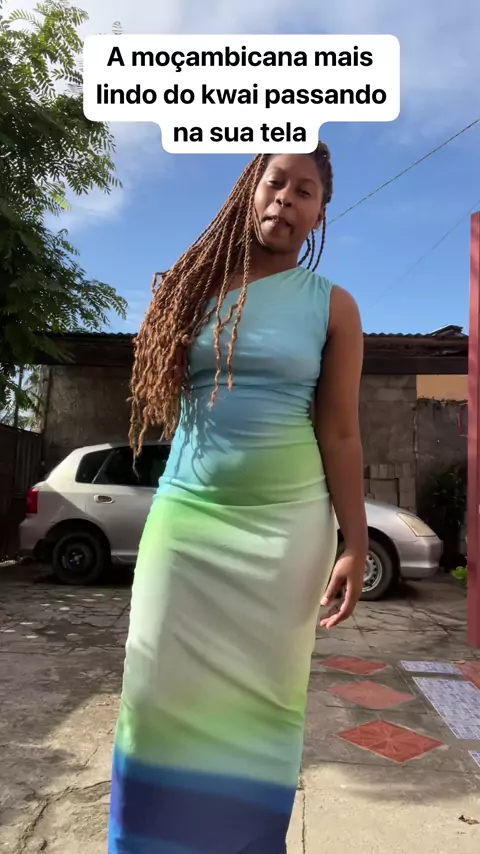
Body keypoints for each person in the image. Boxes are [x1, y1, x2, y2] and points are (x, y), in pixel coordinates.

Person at [108, 141, 368, 854]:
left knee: (263, 707)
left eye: (305, 190)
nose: (286, 198)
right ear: (250, 190)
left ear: (320, 213)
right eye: (275, 181)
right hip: (186, 521)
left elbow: (342, 433)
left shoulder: (334, 307)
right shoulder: (190, 288)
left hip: (287, 533)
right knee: (155, 693)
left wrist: (356, 540)